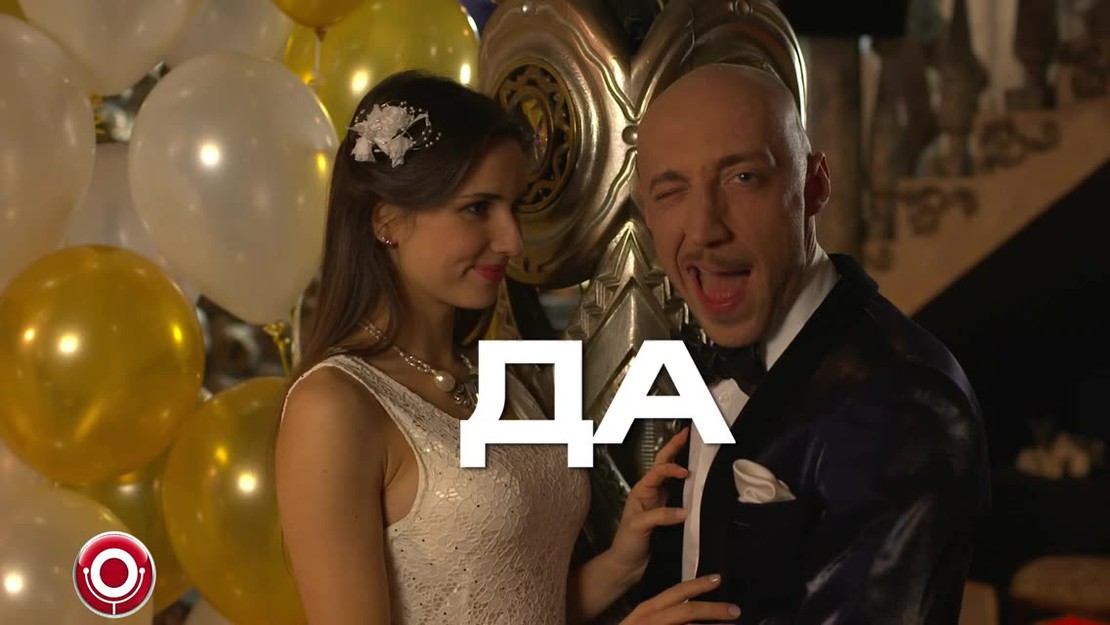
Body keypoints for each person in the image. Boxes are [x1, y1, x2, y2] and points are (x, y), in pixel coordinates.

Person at [274, 70, 733, 625]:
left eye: (514, 208)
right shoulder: (333, 407)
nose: (512, 239)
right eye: (477, 208)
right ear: (387, 219)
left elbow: (519, 603)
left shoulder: (500, 381)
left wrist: (619, 564)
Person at [626, 63, 991, 624]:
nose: (703, 229)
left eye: (742, 177)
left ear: (814, 185)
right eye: (672, 191)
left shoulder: (908, 400)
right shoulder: (696, 354)